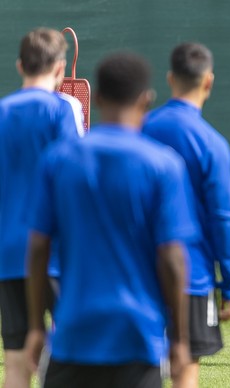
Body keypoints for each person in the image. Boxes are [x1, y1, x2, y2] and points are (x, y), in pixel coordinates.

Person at [24, 52, 197, 388]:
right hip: (138, 338)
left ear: (98, 98)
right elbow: (173, 258)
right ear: (146, 100)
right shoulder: (164, 165)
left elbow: (38, 246)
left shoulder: (58, 160)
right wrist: (180, 339)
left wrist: (34, 326)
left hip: (73, 335)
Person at [143, 42, 230, 387]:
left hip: (142, 273)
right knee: (186, 368)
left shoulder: (142, 128)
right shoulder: (212, 144)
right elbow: (223, 219)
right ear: (209, 82)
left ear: (170, 78)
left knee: (143, 366)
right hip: (193, 276)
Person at [0, 27, 83, 388]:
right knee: (73, 351)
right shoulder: (63, 109)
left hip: (8, 254)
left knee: (16, 356)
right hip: (55, 253)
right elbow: (74, 180)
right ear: (61, 68)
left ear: (20, 65)